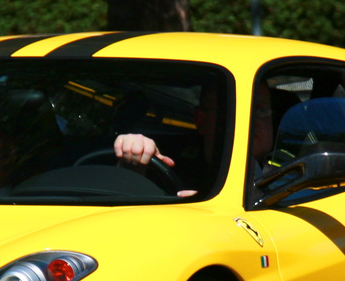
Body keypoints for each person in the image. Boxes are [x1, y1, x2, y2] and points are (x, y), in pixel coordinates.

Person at [111, 80, 276, 196]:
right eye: (231, 113)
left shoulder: (294, 172)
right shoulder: (170, 163)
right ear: (201, 120)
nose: (249, 121)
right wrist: (132, 164)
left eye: (260, 111)